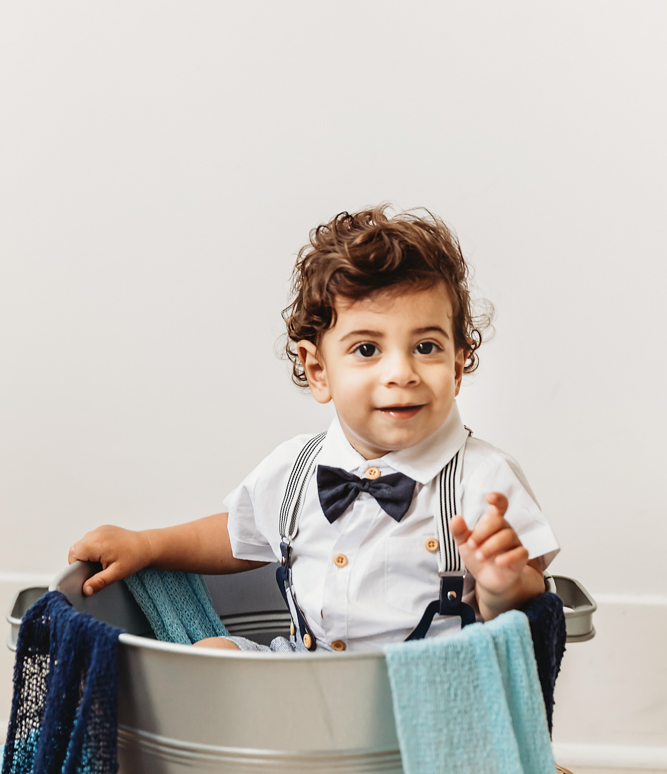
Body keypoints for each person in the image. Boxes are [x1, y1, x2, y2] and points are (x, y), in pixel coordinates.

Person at [68, 207, 559, 652]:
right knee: (212, 655)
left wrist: (502, 585)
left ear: (456, 365)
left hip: (428, 690)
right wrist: (147, 546)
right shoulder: (297, 467)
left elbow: (527, 603)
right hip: (304, 672)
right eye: (367, 349)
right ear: (318, 370)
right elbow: (235, 535)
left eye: (425, 347)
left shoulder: (485, 478)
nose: (401, 373)